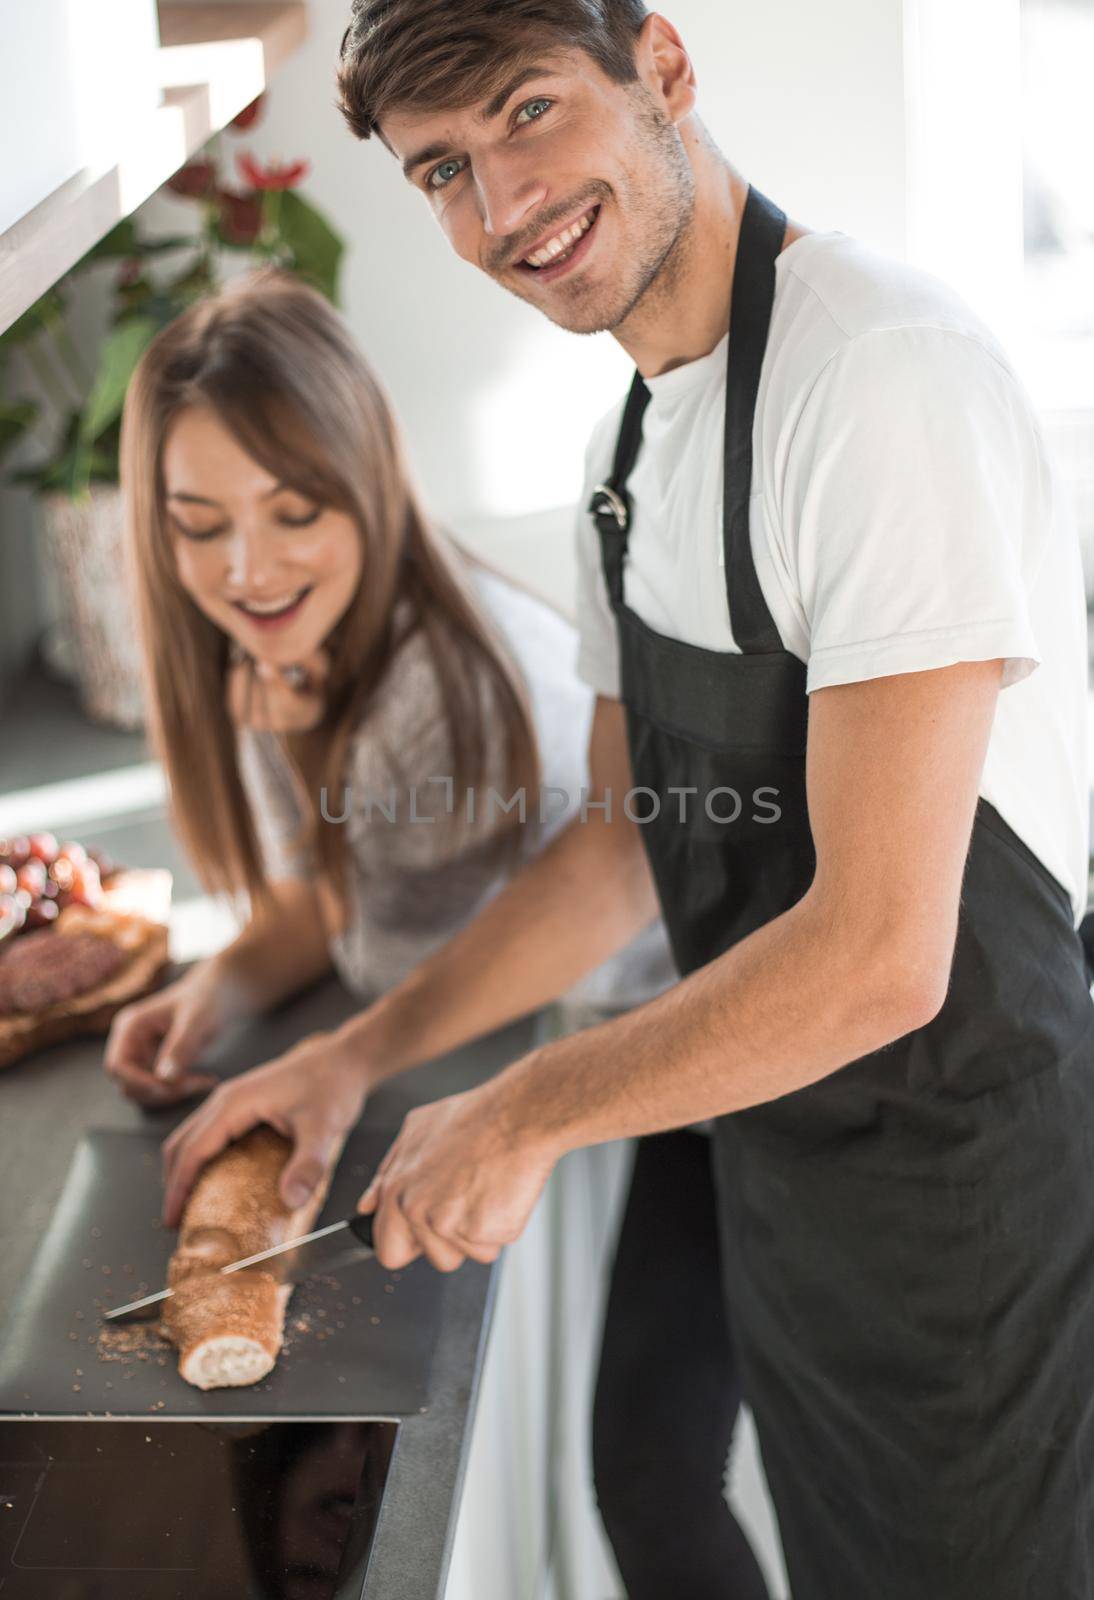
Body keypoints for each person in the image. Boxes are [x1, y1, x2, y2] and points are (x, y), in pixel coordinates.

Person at [157, 6, 1094, 1598]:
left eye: (528, 112)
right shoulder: (628, 438)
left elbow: (881, 951)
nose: (502, 204)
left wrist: (522, 1109)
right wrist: (350, 1061)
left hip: (960, 1216)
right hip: (777, 1175)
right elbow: (617, 851)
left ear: (658, 65)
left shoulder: (876, 378)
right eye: (442, 168)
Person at [105, 266, 669, 1112]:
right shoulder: (289, 636)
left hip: (653, 1042)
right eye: (200, 525)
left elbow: (380, 957)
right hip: (546, 1026)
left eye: (295, 514)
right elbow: (319, 901)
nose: (248, 572)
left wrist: (302, 750)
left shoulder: (438, 697)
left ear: (367, 485)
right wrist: (215, 992)